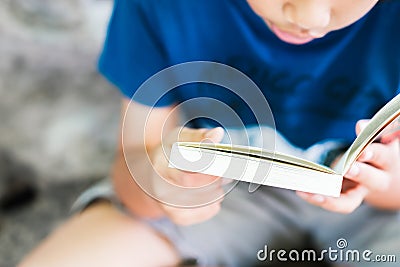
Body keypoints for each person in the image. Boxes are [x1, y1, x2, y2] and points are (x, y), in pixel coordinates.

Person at [19, 0, 400, 266]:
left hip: (378, 209)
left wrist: (381, 181)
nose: (310, 16)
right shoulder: (165, 6)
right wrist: (162, 182)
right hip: (225, 189)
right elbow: (134, 165)